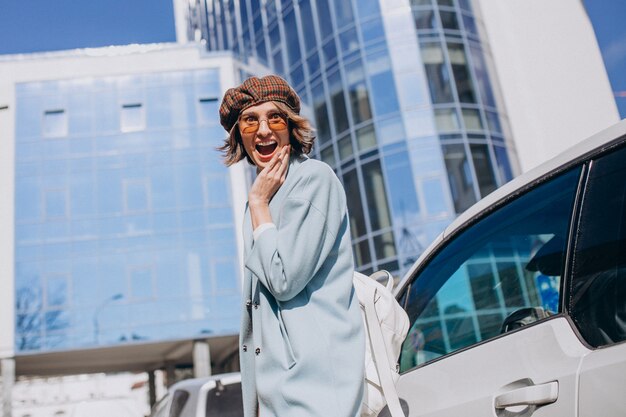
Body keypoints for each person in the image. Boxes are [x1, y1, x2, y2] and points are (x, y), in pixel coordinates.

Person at [218, 75, 365, 417]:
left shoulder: (313, 179)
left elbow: (284, 280)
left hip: (315, 390)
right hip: (278, 397)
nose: (264, 130)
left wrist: (258, 204)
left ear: (291, 126)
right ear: (239, 133)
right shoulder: (264, 198)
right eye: (250, 120)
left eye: (275, 118)